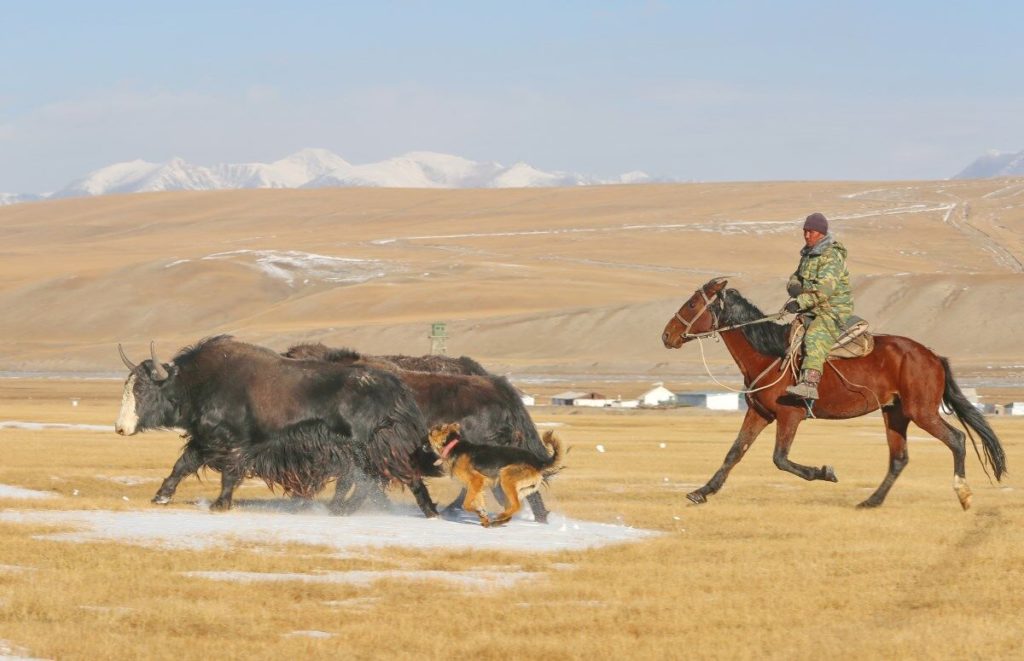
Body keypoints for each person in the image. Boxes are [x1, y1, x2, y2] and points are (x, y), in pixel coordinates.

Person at [783, 212, 853, 400]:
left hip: (833, 310)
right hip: (812, 309)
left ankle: (809, 385)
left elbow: (824, 291)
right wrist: (794, 288)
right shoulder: (807, 254)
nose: (806, 235)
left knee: (814, 336)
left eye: (810, 232)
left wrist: (800, 302)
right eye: (804, 231)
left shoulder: (831, 256)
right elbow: (795, 277)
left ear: (821, 233)